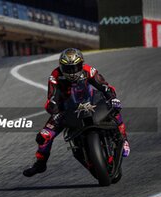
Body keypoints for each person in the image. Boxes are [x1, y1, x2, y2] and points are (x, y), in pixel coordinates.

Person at [23, 48, 130, 177]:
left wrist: (112, 98)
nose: (72, 72)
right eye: (68, 68)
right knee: (43, 136)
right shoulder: (55, 76)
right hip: (67, 109)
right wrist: (54, 110)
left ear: (81, 64)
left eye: (75, 67)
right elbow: (52, 98)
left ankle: (124, 139)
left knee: (115, 108)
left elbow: (104, 86)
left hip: (91, 103)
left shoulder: (89, 70)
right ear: (61, 67)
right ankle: (40, 164)